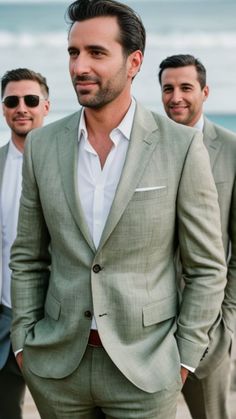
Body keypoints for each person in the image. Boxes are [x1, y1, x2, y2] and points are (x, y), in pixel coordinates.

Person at [10, 2, 227, 418]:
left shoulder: (179, 146)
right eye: (73, 53)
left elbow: (206, 267)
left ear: (134, 62)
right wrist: (24, 342)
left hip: (146, 372)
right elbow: (28, 257)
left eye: (96, 52)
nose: (79, 67)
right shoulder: (42, 145)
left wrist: (181, 360)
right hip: (57, 367)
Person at [158, 53, 236, 419]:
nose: (176, 97)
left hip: (209, 324)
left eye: (186, 88)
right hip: (149, 323)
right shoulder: (150, 145)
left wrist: (227, 319)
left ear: (205, 92)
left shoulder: (232, 150)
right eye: (167, 88)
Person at [0, 68, 50, 419]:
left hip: (54, 318)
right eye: (11, 101)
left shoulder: (75, 163)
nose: (21, 107)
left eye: (30, 100)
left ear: (46, 106)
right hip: (3, 317)